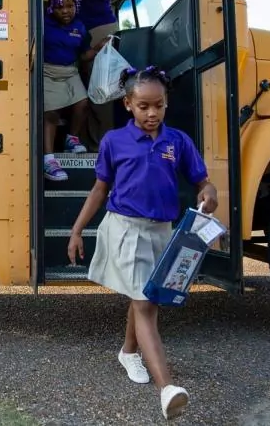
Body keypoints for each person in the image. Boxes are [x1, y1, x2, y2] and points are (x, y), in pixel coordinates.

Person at [66, 65, 219, 420]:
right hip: (125, 229)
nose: (152, 113)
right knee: (146, 304)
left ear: (166, 104)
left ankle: (128, 352)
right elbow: (100, 189)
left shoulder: (177, 141)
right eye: (144, 106)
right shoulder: (113, 142)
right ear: (128, 105)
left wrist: (209, 194)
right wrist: (76, 230)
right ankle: (167, 388)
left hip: (162, 231)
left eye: (159, 106)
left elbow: (203, 182)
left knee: (146, 297)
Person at [57, 0, 123, 151]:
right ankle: (85, 143)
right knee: (81, 90)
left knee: (103, 89)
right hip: (78, 35)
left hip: (102, 29)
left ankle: (103, 146)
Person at [42, 0, 107, 181]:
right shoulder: (42, 23)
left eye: (70, 6)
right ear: (52, 8)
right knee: (51, 113)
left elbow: (84, 55)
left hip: (70, 71)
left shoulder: (80, 26)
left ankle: (72, 139)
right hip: (47, 71)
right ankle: (48, 159)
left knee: (83, 103)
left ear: (76, 5)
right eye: (60, 7)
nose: (65, 11)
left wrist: (98, 48)